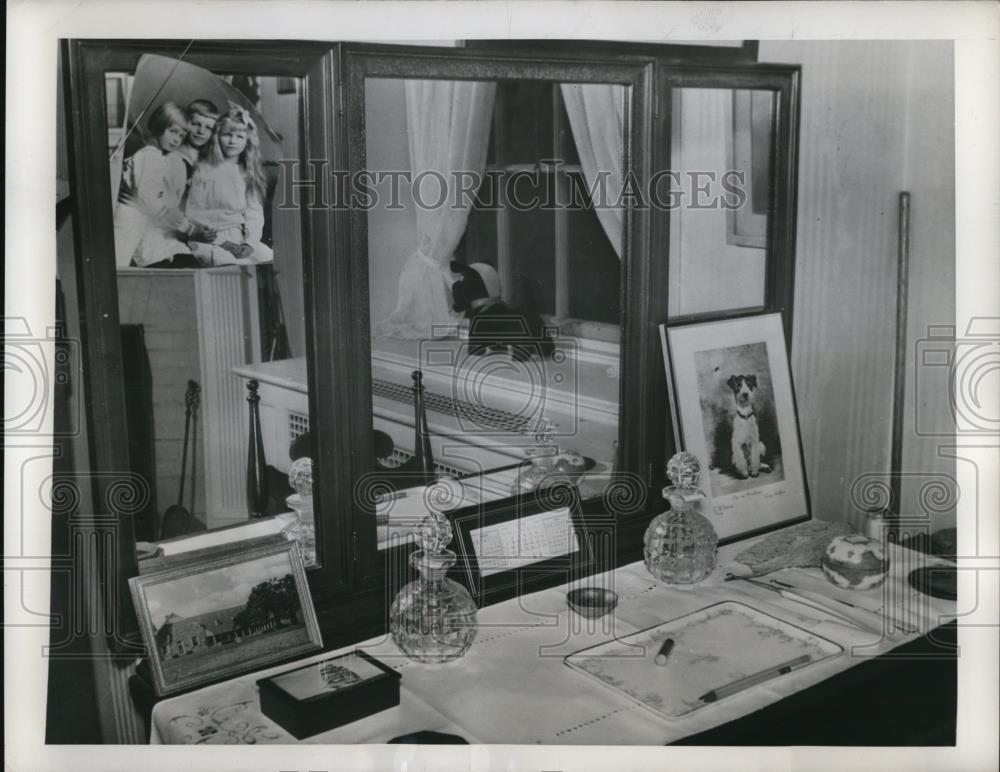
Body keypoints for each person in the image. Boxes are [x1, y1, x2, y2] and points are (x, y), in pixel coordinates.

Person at [113, 102, 211, 267]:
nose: (176, 139)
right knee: (118, 264)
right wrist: (189, 229)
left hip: (136, 220)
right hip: (128, 220)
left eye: (181, 135)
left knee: (123, 263)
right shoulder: (150, 156)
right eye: (172, 132)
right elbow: (147, 199)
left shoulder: (157, 156)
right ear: (159, 126)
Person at [185, 106, 274, 266]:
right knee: (231, 265)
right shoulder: (204, 169)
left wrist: (249, 244)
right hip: (210, 240)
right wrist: (223, 243)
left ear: (248, 141)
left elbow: (254, 215)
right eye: (227, 135)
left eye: (239, 136)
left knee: (269, 258)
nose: (232, 141)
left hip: (240, 238)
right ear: (217, 137)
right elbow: (193, 212)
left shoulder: (247, 173)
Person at [176, 98, 220, 180]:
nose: (201, 131)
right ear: (186, 123)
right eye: (196, 124)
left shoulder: (209, 158)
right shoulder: (175, 153)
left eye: (208, 128)